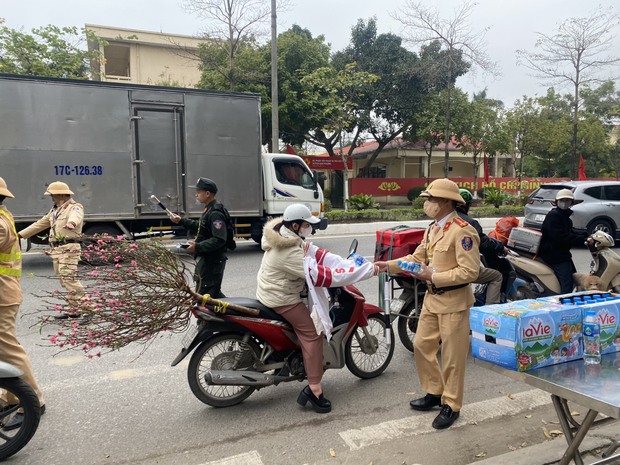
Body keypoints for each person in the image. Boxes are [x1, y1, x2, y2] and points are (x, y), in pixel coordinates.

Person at [256, 203, 386, 414]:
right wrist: (367, 271)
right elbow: (325, 277)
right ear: (296, 225)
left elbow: (317, 254)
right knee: (313, 336)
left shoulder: (287, 237)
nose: (311, 229)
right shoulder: (288, 252)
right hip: (283, 298)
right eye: (308, 225)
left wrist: (347, 262)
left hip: (273, 292)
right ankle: (314, 390)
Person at [384, 178, 479, 429]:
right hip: (431, 299)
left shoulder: (463, 230)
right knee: (421, 345)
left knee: (452, 358)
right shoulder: (433, 228)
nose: (427, 203)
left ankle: (452, 405)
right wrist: (388, 265)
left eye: (431, 199)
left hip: (455, 302)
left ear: (446, 201)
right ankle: (434, 392)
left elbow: (470, 272)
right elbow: (417, 257)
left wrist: (433, 276)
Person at [0, 177, 46, 430]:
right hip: (4, 293)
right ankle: (10, 395)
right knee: (4, 348)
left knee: (8, 349)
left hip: (3, 295)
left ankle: (34, 400)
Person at [18, 181, 89, 319]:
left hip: (69, 248)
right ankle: (74, 310)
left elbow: (76, 217)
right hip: (57, 250)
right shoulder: (55, 210)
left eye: (53, 195)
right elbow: (39, 224)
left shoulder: (74, 207)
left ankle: (90, 308)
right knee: (64, 280)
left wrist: (71, 223)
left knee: (70, 279)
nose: (51, 198)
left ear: (62, 195)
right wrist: (19, 235)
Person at [170, 177, 228, 298]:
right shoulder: (209, 209)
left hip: (213, 261)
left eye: (198, 192)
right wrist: (181, 221)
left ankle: (240, 313)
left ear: (207, 194)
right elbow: (201, 226)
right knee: (212, 296)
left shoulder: (215, 213)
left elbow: (219, 239)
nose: (196, 195)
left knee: (206, 297)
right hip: (208, 258)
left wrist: (198, 246)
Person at [457, 188, 505, 304]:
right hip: (461, 269)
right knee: (496, 276)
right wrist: (501, 247)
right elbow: (483, 243)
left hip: (442, 267)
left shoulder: (439, 221)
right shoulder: (469, 223)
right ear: (466, 204)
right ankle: (490, 312)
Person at [538, 189, 587, 294]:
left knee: (573, 276)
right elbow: (561, 237)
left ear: (571, 203)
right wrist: (581, 240)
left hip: (561, 252)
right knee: (567, 282)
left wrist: (586, 236)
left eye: (567, 200)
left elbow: (570, 232)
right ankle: (565, 302)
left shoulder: (565, 217)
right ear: (557, 202)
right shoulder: (554, 216)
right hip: (553, 253)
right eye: (562, 200)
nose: (564, 203)